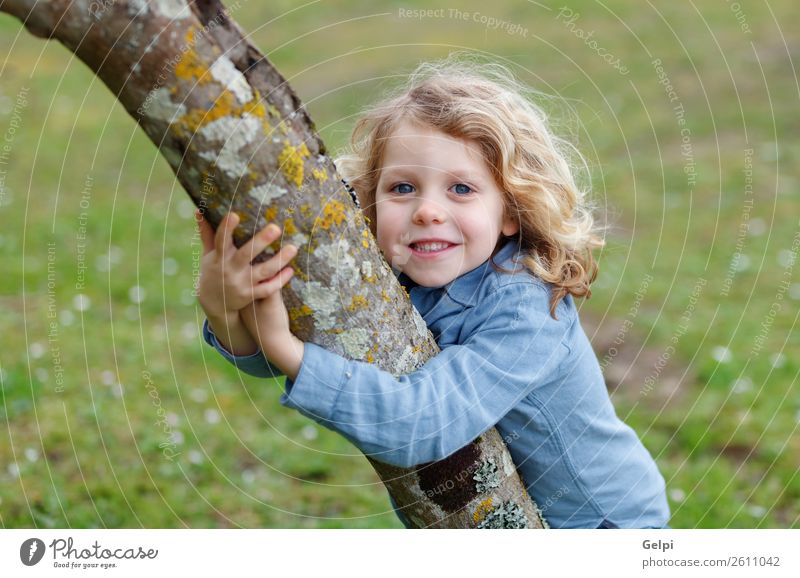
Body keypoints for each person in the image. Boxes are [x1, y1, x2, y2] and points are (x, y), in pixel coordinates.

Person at [196, 57, 670, 529]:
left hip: (605, 528)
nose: (427, 211)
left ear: (509, 211)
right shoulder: (391, 274)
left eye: (461, 189)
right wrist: (227, 309)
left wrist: (282, 344)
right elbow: (282, 357)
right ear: (373, 200)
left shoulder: (526, 308)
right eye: (403, 187)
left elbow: (423, 424)